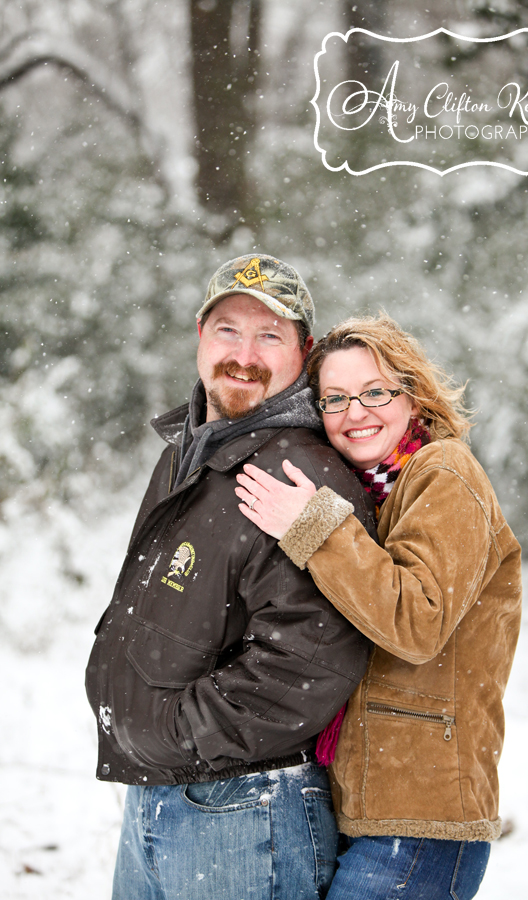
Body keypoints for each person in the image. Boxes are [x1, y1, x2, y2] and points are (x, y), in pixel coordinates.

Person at [85, 254, 376, 900]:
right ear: (199, 335)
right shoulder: (188, 453)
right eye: (228, 331)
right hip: (161, 799)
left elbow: (315, 657)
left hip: (244, 811)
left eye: (270, 336)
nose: (244, 354)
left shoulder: (305, 476)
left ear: (304, 351)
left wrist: (179, 731)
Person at [235, 313, 522, 900]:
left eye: (374, 392)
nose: (355, 413)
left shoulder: (445, 472)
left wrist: (313, 527)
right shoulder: (370, 497)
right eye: (335, 398)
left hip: (422, 816)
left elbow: (416, 621)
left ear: (412, 396)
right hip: (362, 804)